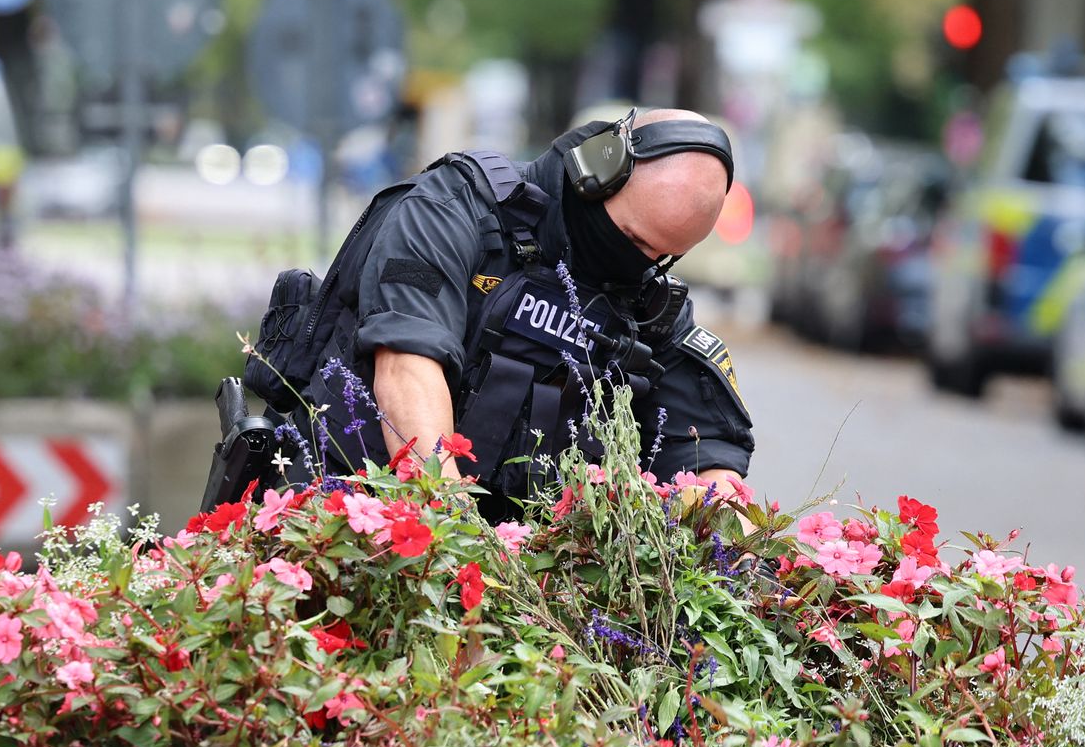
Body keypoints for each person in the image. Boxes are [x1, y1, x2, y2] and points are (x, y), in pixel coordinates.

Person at [229, 108, 755, 517]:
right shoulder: (453, 210)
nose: (635, 261)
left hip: (523, 578)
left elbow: (704, 451)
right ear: (601, 168)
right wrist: (452, 532)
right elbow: (407, 360)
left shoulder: (644, 296)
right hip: (350, 518)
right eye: (630, 238)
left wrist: (735, 537)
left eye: (657, 254)